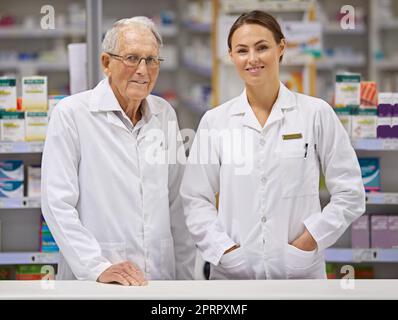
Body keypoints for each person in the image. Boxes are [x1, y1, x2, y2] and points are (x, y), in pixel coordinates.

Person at [180, 10, 366, 280]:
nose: (252, 58)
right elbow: (195, 198)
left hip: (299, 273)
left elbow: (350, 192)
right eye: (242, 50)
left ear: (281, 48)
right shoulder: (215, 121)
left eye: (262, 47)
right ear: (231, 56)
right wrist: (225, 250)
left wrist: (310, 240)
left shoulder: (315, 114)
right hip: (233, 274)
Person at [41, 17, 195, 285]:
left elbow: (177, 204)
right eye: (132, 58)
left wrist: (185, 280)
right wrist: (96, 266)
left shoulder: (164, 113)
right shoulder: (72, 114)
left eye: (152, 60)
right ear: (106, 63)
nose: (143, 70)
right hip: (98, 280)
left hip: (159, 279)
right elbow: (57, 204)